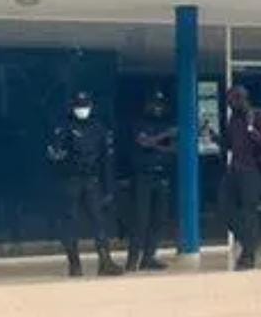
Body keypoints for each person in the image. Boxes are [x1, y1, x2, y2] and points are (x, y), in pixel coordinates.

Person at [46, 91, 123, 277]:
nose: (82, 110)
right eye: (79, 106)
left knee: (99, 220)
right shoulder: (64, 127)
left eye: (85, 106)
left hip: (92, 180)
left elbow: (106, 160)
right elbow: (54, 155)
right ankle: (74, 264)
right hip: (71, 180)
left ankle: (105, 261)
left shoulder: (98, 127)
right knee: (70, 222)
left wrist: (108, 187)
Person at [216, 85, 261, 271]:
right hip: (234, 170)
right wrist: (216, 138)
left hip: (253, 171)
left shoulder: (258, 116)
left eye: (232, 100)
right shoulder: (233, 118)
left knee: (249, 213)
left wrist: (251, 129)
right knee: (224, 208)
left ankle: (248, 256)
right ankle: (249, 243)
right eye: (228, 101)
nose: (230, 104)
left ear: (242, 99)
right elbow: (230, 144)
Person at [126, 88, 176, 272]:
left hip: (162, 176)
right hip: (143, 176)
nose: (157, 108)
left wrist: (155, 143)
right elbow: (143, 142)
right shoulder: (139, 123)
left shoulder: (166, 123)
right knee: (140, 219)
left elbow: (174, 149)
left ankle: (148, 257)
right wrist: (164, 137)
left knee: (159, 219)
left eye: (160, 104)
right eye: (154, 104)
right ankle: (132, 259)